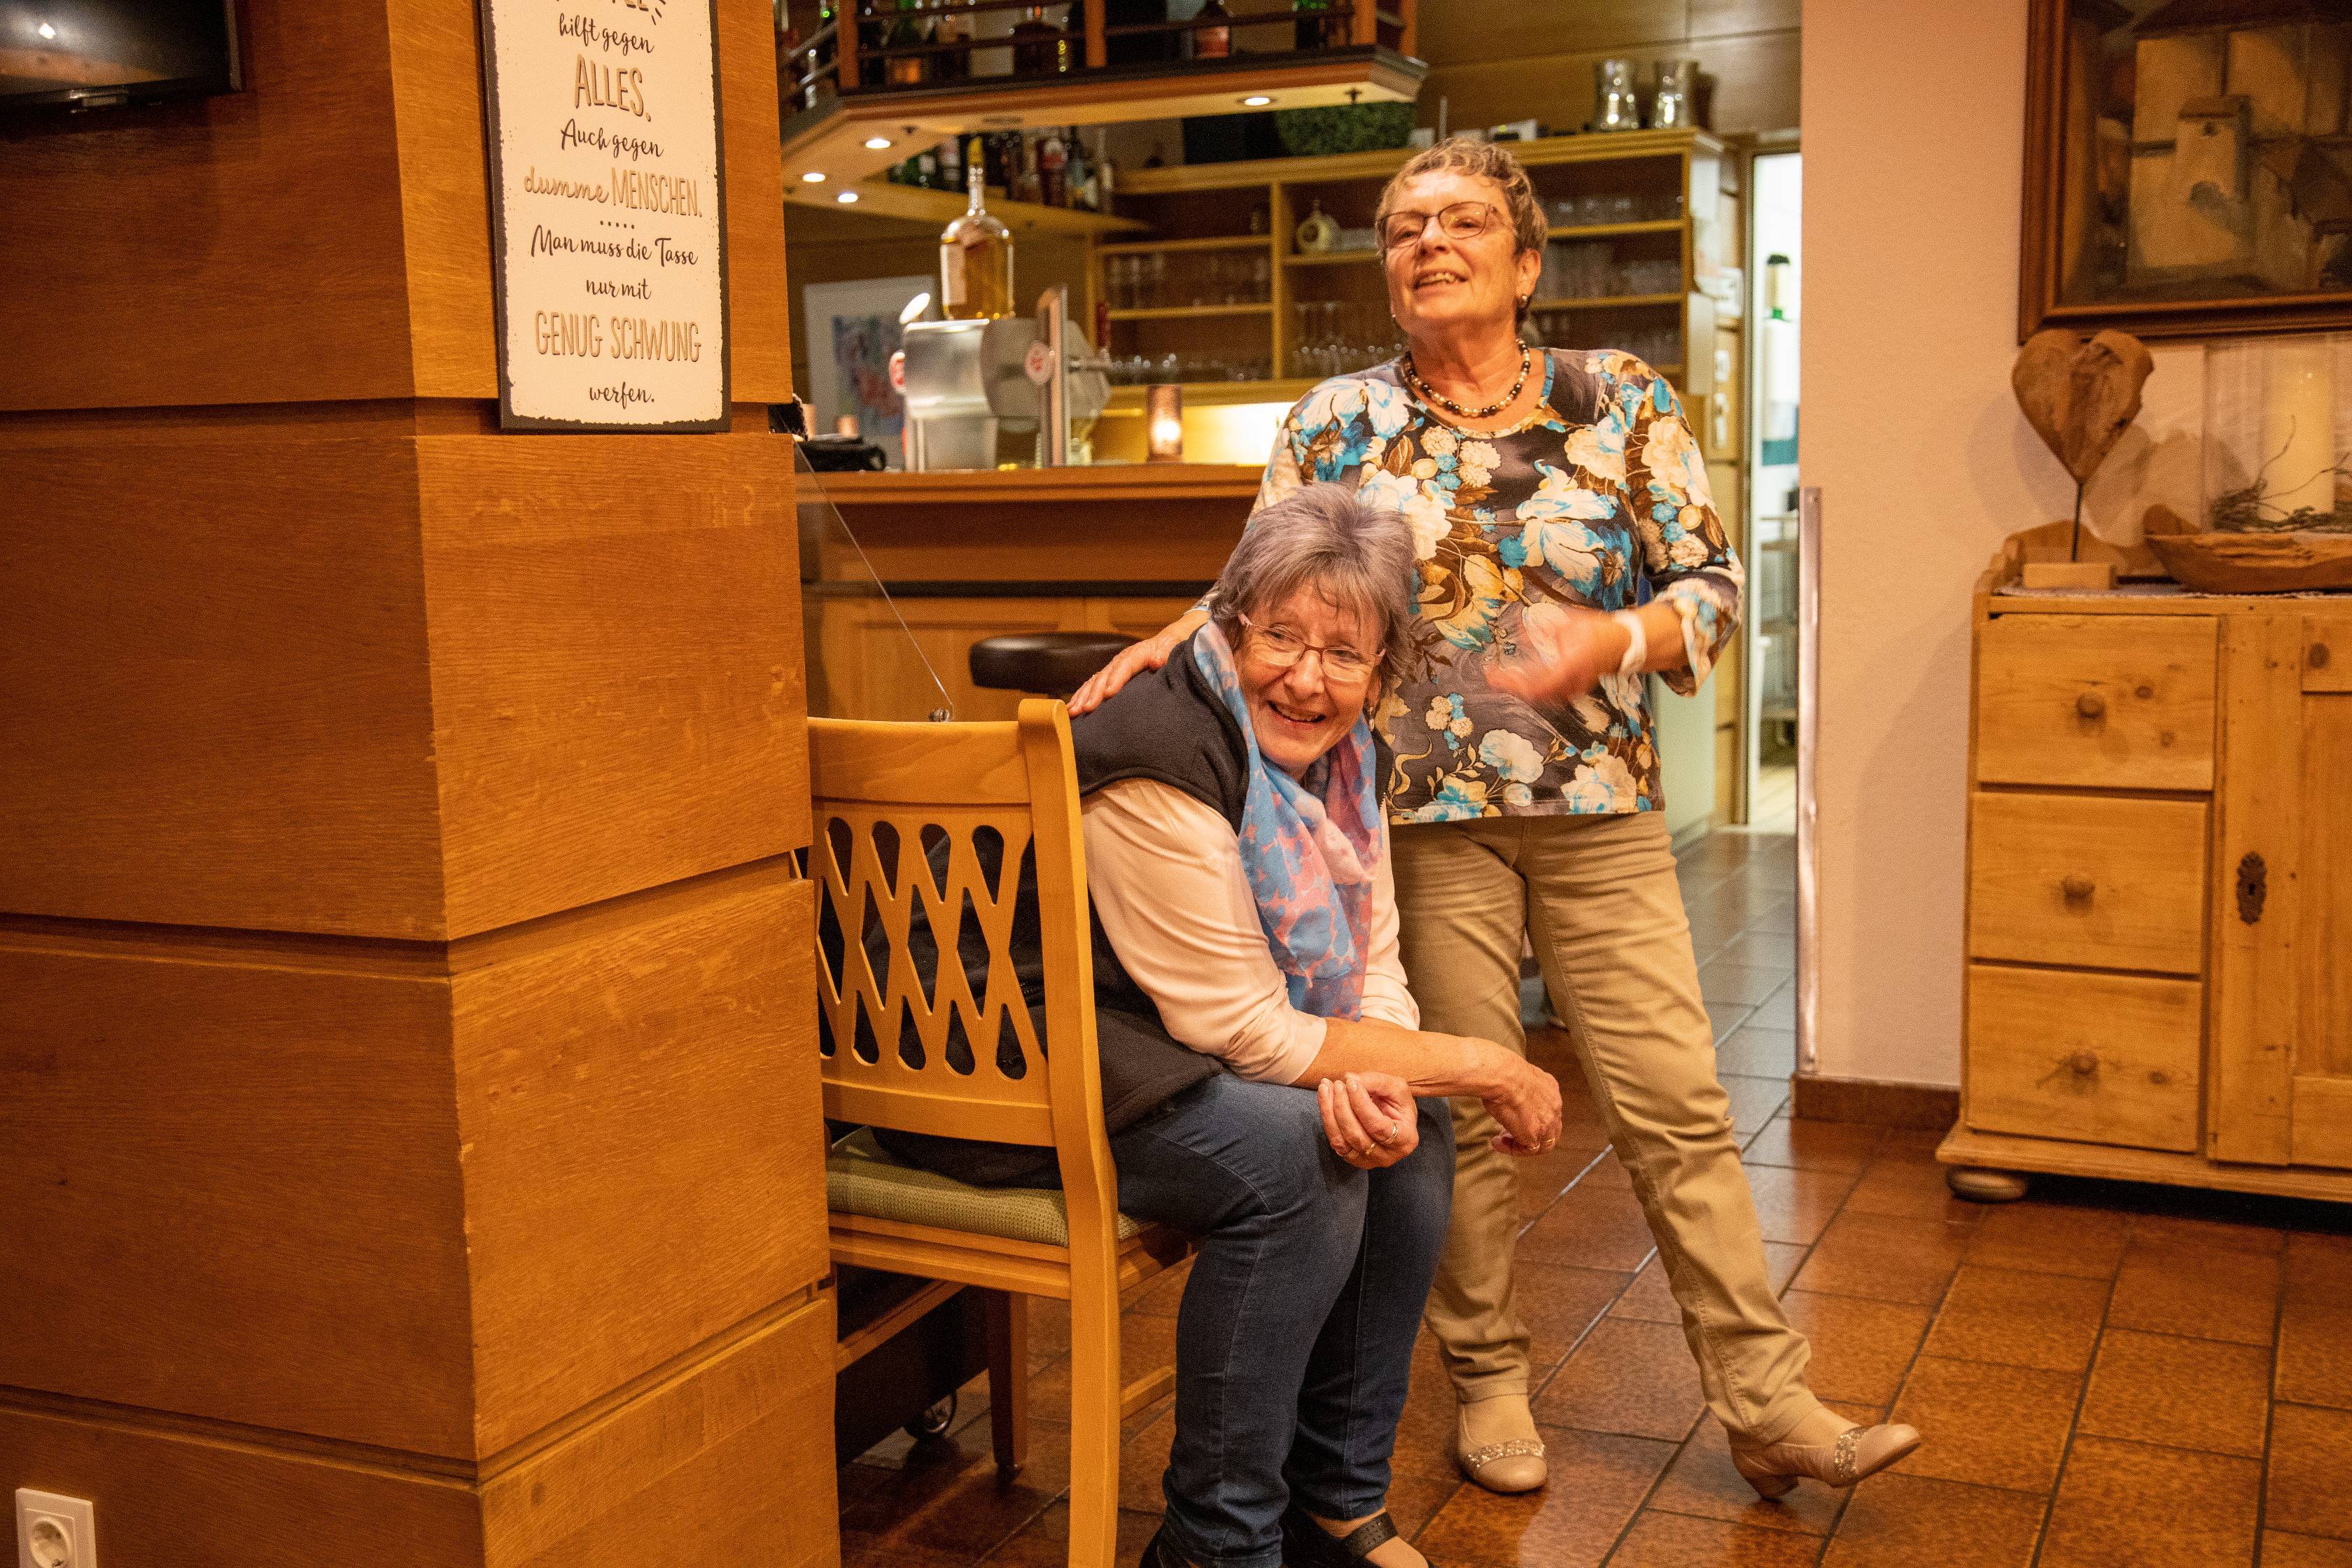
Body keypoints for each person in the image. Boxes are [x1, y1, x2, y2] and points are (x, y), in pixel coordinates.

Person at [1071, 138, 1919, 1499]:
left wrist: (1611, 640)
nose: (1429, 243)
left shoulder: (1620, 399)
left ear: (1526, 263)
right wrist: (1160, 648)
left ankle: (1768, 1404)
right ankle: (1490, 1382)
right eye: (1404, 227)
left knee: (1677, 1105)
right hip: (1418, 815)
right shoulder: (1336, 421)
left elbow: (1711, 589)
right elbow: (1258, 590)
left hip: (1598, 804)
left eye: (1464, 221)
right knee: (1460, 1108)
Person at [881, 483, 1565, 1568]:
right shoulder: (1159, 750)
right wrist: (1486, 1063)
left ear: (1383, 670)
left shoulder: (1350, 759)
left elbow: (1372, 962)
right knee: (1301, 1160)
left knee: (1409, 1130)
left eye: (1343, 654)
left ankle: (1334, 1504)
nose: (1306, 677)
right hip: (995, 1056)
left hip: (1137, 1029)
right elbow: (1246, 1029)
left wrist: (1382, 1068)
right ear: (1230, 625)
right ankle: (1216, 1542)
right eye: (1279, 637)